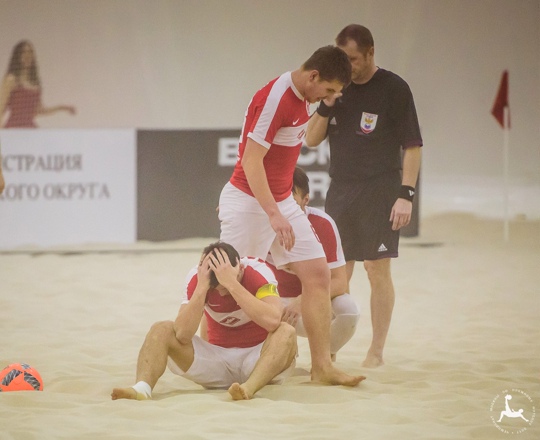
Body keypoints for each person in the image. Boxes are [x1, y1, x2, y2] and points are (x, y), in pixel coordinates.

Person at [218, 45, 365, 387]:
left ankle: (322, 366)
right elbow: (251, 161)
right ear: (313, 76)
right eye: (329, 89)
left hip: (282, 197)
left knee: (318, 274)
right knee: (226, 281)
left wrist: (279, 207)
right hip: (249, 199)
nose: (329, 97)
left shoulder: (304, 98)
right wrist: (272, 213)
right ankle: (211, 353)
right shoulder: (276, 98)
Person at [305, 24, 423, 368]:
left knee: (376, 269)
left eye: (354, 59)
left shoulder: (394, 88)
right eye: (344, 59)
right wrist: (326, 104)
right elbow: (310, 140)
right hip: (340, 189)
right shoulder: (336, 87)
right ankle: (330, 349)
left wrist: (406, 194)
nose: (349, 65)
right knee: (337, 273)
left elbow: (413, 146)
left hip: (380, 188)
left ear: (371, 53)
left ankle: (376, 351)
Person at [111, 241, 297, 401]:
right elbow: (182, 334)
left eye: (224, 289)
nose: (221, 293)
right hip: (217, 361)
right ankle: (142, 388)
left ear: (239, 268)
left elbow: (273, 320)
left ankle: (248, 388)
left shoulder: (258, 270)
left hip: (259, 358)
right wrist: (202, 287)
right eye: (217, 289)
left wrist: (232, 285)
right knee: (161, 329)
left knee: (286, 331)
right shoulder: (198, 277)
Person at [266, 167, 360, 361]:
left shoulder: (322, 223)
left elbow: (340, 282)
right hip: (272, 301)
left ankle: (325, 355)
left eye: (290, 197)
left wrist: (301, 300)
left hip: (311, 300)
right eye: (279, 197)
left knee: (349, 310)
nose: (284, 204)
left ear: (305, 200)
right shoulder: (261, 220)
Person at [0, 40, 76, 128]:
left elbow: (39, 111)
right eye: (24, 52)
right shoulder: (11, 79)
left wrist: (62, 108)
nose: (27, 55)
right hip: (14, 128)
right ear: (17, 56)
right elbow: (1, 107)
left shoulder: (35, 84)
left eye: (30, 52)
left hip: (30, 128)